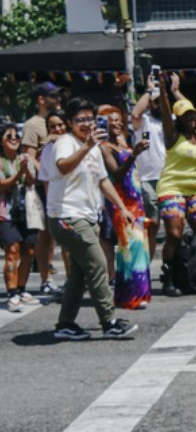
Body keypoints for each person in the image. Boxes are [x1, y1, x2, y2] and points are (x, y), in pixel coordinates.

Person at [46, 98, 138, 341]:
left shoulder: (95, 146)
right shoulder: (65, 142)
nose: (86, 124)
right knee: (98, 265)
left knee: (80, 272)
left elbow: (103, 180)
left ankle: (65, 323)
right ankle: (109, 322)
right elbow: (63, 167)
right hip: (66, 216)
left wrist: (121, 208)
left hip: (86, 216)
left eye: (90, 119)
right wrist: (86, 146)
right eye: (80, 120)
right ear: (69, 122)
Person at [156, 73, 196, 297]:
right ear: (178, 119)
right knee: (175, 234)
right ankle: (168, 277)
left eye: (192, 114)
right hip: (172, 187)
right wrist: (163, 89)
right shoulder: (172, 135)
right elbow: (165, 109)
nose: (190, 118)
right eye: (185, 115)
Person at [98, 105, 152, 310]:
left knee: (139, 245)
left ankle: (134, 293)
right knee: (130, 245)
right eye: (113, 121)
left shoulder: (122, 142)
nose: (118, 123)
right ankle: (132, 296)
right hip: (120, 201)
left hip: (135, 198)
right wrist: (134, 154)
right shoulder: (104, 147)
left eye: (120, 119)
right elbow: (117, 174)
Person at [20, 82, 63, 296]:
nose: (57, 99)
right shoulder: (33, 124)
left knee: (58, 232)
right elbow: (28, 156)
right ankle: (46, 278)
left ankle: (68, 276)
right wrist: (47, 172)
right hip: (42, 185)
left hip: (63, 183)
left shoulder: (61, 121)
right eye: (52, 96)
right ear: (41, 100)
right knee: (45, 234)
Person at [0, 122, 38, 312]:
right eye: (9, 136)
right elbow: (2, 185)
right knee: (12, 251)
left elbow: (32, 181)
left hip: (27, 211)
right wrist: (19, 173)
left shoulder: (24, 157)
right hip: (5, 212)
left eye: (16, 136)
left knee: (29, 250)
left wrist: (26, 170)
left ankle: (22, 289)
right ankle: (12, 293)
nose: (14, 139)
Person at [131, 79, 167, 264]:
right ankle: (146, 264)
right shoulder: (144, 121)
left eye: (163, 101)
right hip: (148, 178)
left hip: (169, 179)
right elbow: (136, 113)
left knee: (174, 225)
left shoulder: (172, 120)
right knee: (152, 225)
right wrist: (149, 90)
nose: (159, 105)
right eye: (156, 101)